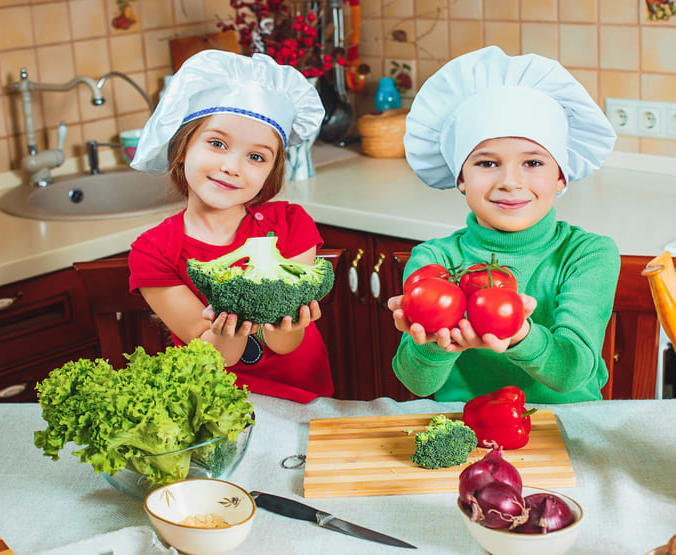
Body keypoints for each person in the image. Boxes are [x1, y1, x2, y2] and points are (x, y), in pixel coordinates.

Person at [388, 45, 620, 404]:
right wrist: (434, 345)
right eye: (486, 164)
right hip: (464, 429)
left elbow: (574, 372)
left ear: (561, 176)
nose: (510, 182)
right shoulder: (434, 261)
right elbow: (417, 383)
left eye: (533, 163)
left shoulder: (588, 253)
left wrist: (521, 335)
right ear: (460, 177)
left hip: (568, 430)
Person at [127, 49, 333, 403]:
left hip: (305, 400)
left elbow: (286, 343)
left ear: (270, 172)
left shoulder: (291, 225)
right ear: (181, 148)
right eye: (217, 143)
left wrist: (289, 324)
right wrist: (233, 327)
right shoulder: (153, 252)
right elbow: (215, 355)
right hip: (218, 405)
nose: (231, 166)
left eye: (256, 157)